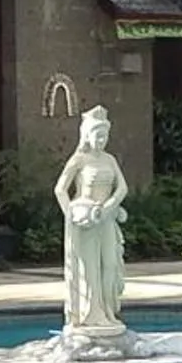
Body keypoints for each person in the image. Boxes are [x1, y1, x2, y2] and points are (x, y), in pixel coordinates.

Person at [54, 105, 128, 338]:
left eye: (105, 136)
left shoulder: (110, 159)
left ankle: (108, 311)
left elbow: (122, 187)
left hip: (106, 219)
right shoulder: (79, 159)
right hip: (86, 220)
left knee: (110, 265)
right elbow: (60, 190)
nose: (101, 141)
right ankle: (90, 314)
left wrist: (110, 206)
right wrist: (72, 215)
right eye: (97, 136)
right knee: (90, 270)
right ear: (87, 135)